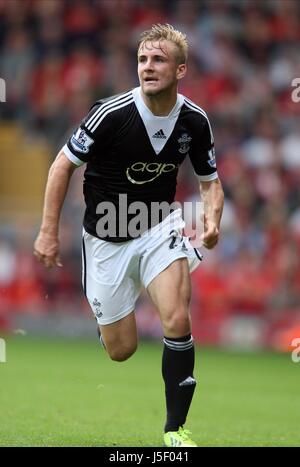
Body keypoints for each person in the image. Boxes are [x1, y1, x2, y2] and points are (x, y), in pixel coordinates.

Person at [34, 24, 224, 447]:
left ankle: (175, 432)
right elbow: (61, 166)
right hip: (105, 242)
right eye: (142, 60)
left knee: (177, 318)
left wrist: (211, 220)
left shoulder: (195, 121)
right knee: (121, 350)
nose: (147, 67)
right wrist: (48, 232)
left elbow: (210, 181)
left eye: (158, 60)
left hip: (159, 228)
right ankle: (111, 315)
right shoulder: (111, 114)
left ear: (180, 69)